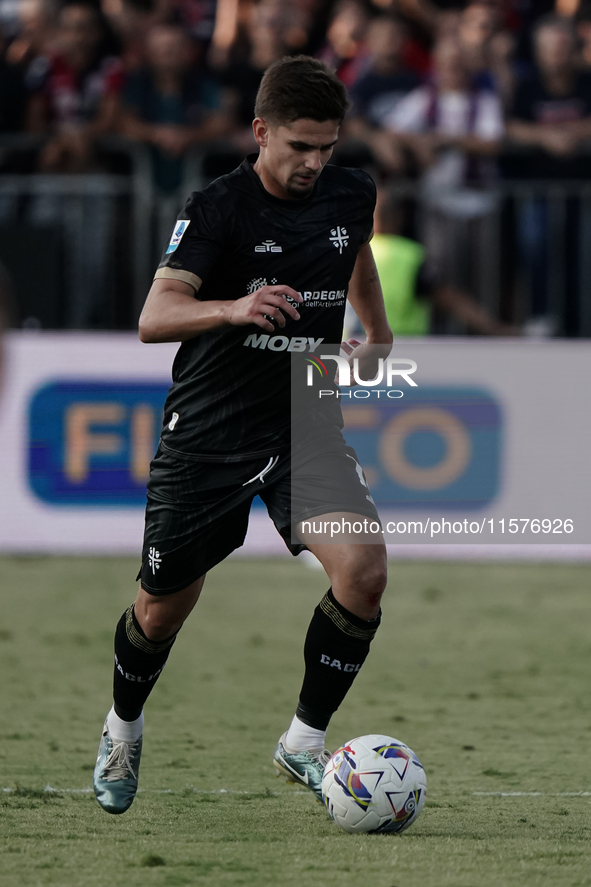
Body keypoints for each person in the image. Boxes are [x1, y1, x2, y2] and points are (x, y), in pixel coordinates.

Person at [93, 55, 393, 815]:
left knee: (361, 574)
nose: (314, 162)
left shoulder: (352, 190)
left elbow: (353, 246)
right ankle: (122, 725)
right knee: (160, 610)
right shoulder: (218, 207)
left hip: (305, 420)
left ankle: (301, 740)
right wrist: (231, 307)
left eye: (326, 146)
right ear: (261, 132)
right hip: (209, 433)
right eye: (299, 145)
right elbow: (153, 318)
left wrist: (376, 329)